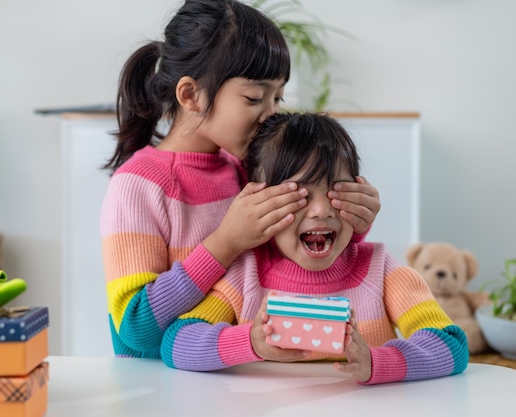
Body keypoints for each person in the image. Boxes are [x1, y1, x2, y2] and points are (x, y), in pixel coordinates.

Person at [100, 0, 381, 359]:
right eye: (254, 97)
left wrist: (353, 222)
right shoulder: (138, 186)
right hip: (161, 387)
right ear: (191, 95)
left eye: (277, 97)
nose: (271, 114)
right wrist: (226, 242)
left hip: (238, 378)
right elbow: (135, 329)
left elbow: (289, 252)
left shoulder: (243, 167)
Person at [160, 112, 468, 385]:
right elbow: (176, 343)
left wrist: (377, 362)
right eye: (300, 194)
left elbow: (451, 344)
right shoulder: (246, 273)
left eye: (336, 190)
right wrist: (251, 342)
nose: (321, 210)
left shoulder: (380, 269)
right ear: (261, 204)